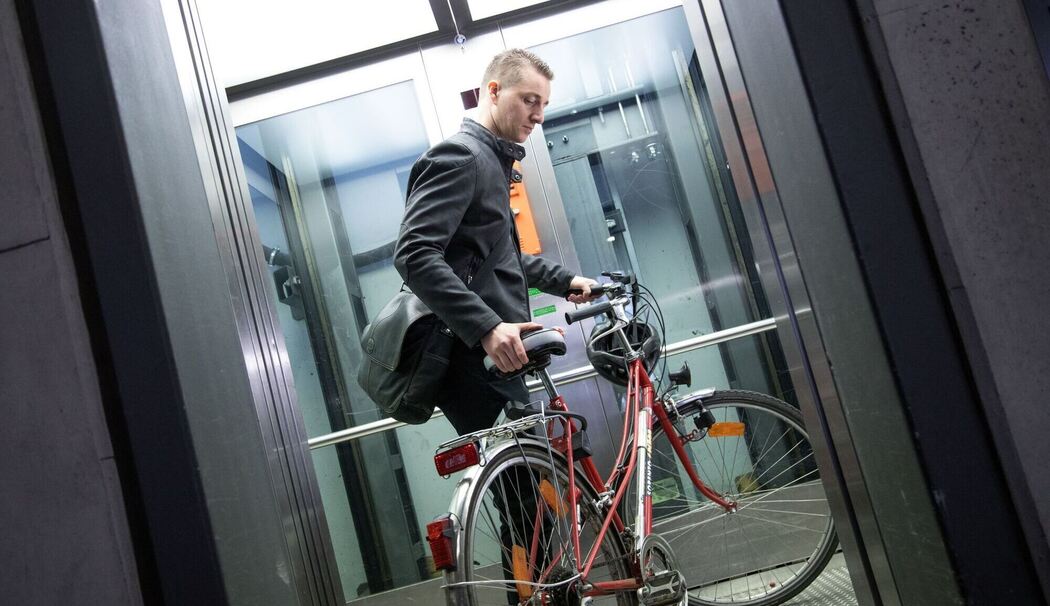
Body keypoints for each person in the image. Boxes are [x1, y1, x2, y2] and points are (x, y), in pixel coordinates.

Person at [393, 48, 598, 436]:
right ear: (493, 91)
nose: (538, 115)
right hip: (475, 353)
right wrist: (487, 327)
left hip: (494, 354)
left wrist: (567, 281)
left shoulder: (491, 161)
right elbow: (414, 254)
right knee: (522, 486)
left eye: (543, 104)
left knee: (533, 480)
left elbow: (499, 258)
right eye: (529, 100)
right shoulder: (462, 156)